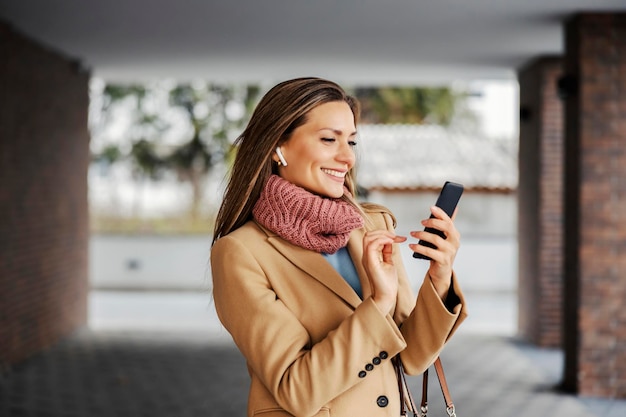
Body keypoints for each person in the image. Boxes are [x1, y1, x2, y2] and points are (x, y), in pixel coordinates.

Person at [210, 77, 467, 417]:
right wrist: (379, 303)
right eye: (329, 139)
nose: (347, 157)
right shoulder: (241, 253)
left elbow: (412, 357)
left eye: (352, 142)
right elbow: (297, 391)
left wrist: (440, 276)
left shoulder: (371, 226)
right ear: (278, 147)